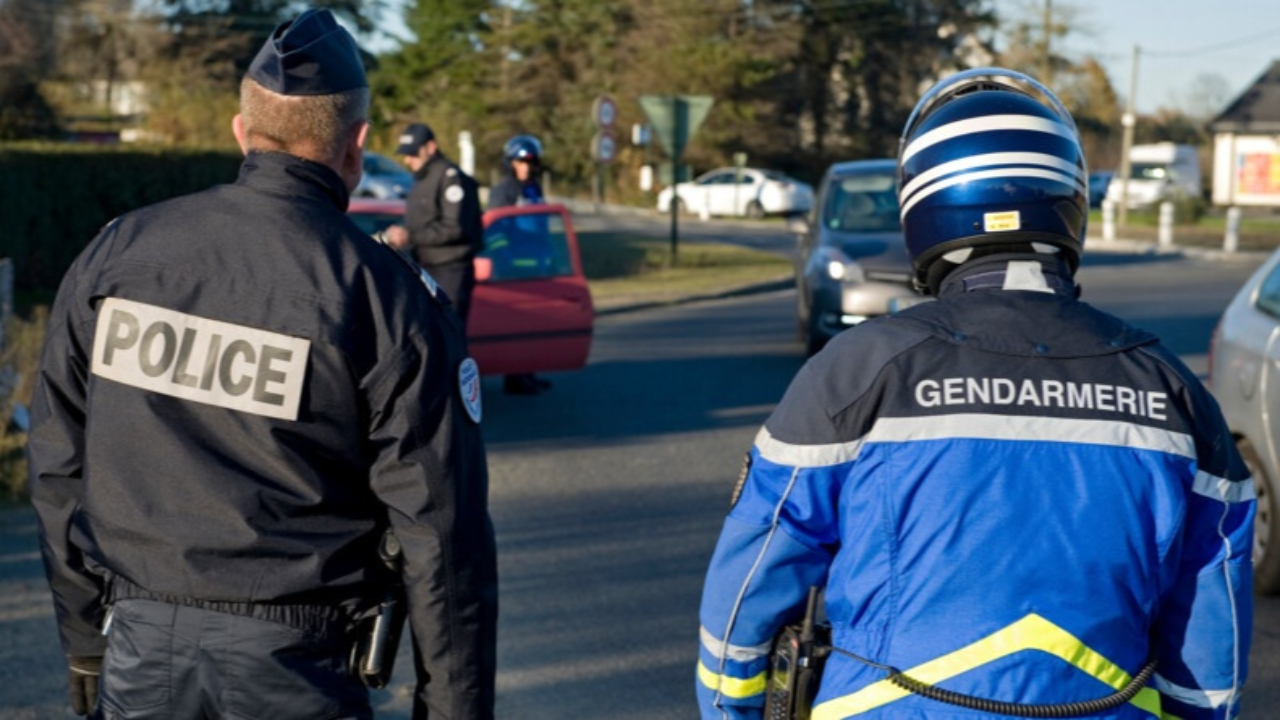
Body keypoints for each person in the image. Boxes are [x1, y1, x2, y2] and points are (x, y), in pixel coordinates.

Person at [696, 68, 1254, 720]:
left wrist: (727, 709)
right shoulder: (1173, 390)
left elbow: (756, 569)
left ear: (923, 205)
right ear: (1070, 201)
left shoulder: (859, 370)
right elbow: (1213, 640)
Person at [28, 9, 497, 720]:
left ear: (241, 131)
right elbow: (440, 533)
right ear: (355, 147)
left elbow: (58, 466)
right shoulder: (385, 297)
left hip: (139, 653)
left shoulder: (118, 255)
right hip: (296, 667)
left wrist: (84, 642)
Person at [384, 121, 484, 322]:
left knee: (448, 334)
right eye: (406, 154)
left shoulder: (449, 178)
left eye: (413, 154)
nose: (407, 160)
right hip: (425, 266)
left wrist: (410, 237)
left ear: (430, 148)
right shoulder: (422, 178)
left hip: (449, 269)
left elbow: (454, 228)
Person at [489, 134, 553, 395]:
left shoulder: (534, 189)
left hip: (537, 267)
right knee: (517, 324)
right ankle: (515, 377)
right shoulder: (503, 191)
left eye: (529, 162)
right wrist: (505, 263)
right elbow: (495, 230)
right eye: (520, 162)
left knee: (534, 324)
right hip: (513, 270)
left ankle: (529, 371)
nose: (525, 167)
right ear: (510, 163)